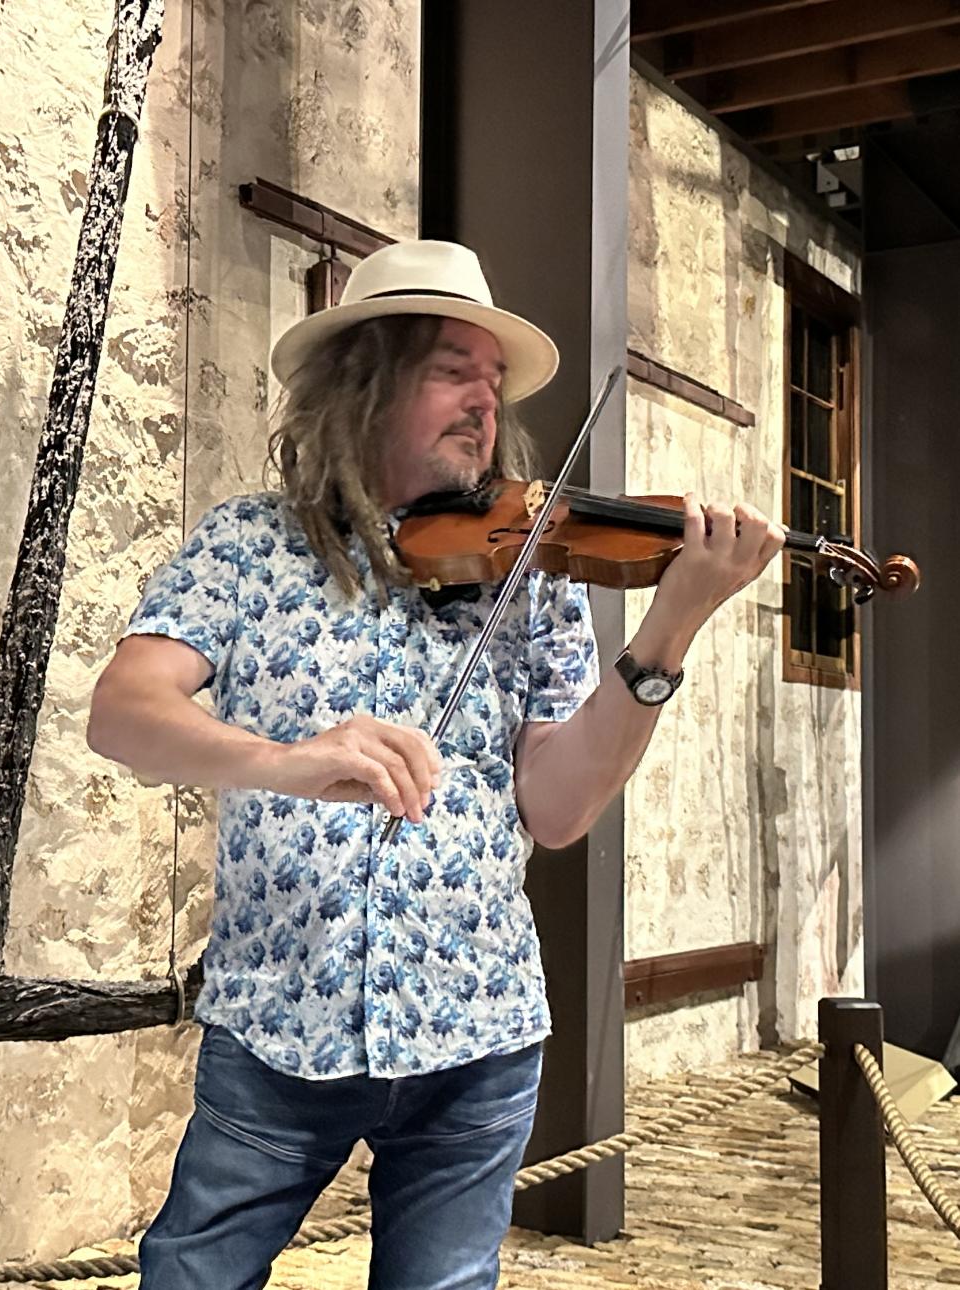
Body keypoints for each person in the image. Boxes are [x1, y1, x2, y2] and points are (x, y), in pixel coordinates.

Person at [87, 239, 785, 1290]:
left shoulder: (531, 568)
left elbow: (555, 809)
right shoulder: (247, 546)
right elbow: (123, 714)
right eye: (454, 369)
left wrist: (671, 627)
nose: (483, 403)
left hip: (477, 1031)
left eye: (493, 382)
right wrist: (283, 760)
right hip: (281, 1022)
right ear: (363, 383)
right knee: (192, 1276)